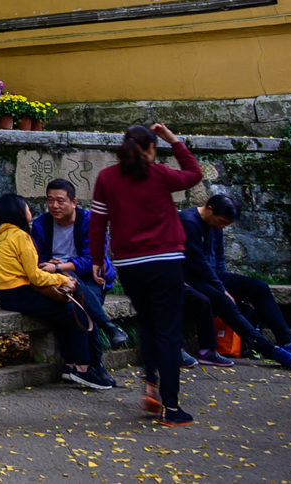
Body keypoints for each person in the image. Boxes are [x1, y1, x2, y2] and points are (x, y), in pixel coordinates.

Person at [89, 123, 204, 426]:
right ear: (151, 148)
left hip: (130, 266)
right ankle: (171, 407)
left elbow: (98, 223)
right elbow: (194, 174)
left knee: (149, 324)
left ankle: (150, 383)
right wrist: (174, 140)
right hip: (166, 262)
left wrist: (97, 260)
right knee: (168, 332)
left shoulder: (106, 178)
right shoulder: (160, 174)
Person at [0, 193, 116, 389]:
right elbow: (35, 276)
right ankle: (83, 369)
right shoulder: (20, 236)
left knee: (64, 313)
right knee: (76, 311)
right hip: (22, 293)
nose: (31, 211)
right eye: (27, 207)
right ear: (19, 212)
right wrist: (63, 279)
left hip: (4, 296)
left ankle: (70, 366)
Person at [179, 195, 291, 368]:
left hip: (213, 275)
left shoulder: (215, 224)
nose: (222, 226)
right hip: (191, 277)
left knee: (259, 287)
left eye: (226, 224)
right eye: (222, 221)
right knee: (223, 301)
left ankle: (287, 342)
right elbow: (198, 263)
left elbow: (218, 258)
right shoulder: (188, 222)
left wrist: (228, 285)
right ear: (209, 209)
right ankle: (268, 349)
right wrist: (223, 289)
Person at [31, 178, 124, 350]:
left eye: (60, 201)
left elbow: (93, 259)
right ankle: (108, 330)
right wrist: (48, 264)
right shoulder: (41, 224)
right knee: (78, 308)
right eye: (50, 200)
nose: (54, 206)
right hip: (60, 279)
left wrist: (60, 266)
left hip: (91, 277)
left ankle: (87, 366)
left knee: (83, 307)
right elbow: (38, 258)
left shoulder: (91, 222)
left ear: (74, 202)